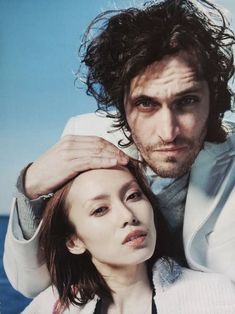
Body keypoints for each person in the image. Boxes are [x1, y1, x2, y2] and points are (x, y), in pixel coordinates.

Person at [4, 0, 235, 298]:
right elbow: (29, 283)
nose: (168, 132)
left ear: (212, 97)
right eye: (146, 103)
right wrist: (30, 189)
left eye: (187, 101)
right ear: (121, 105)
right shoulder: (84, 136)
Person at [22, 163, 235, 313]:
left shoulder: (214, 295)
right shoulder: (51, 306)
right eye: (100, 210)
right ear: (73, 241)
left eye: (133, 196)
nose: (128, 216)